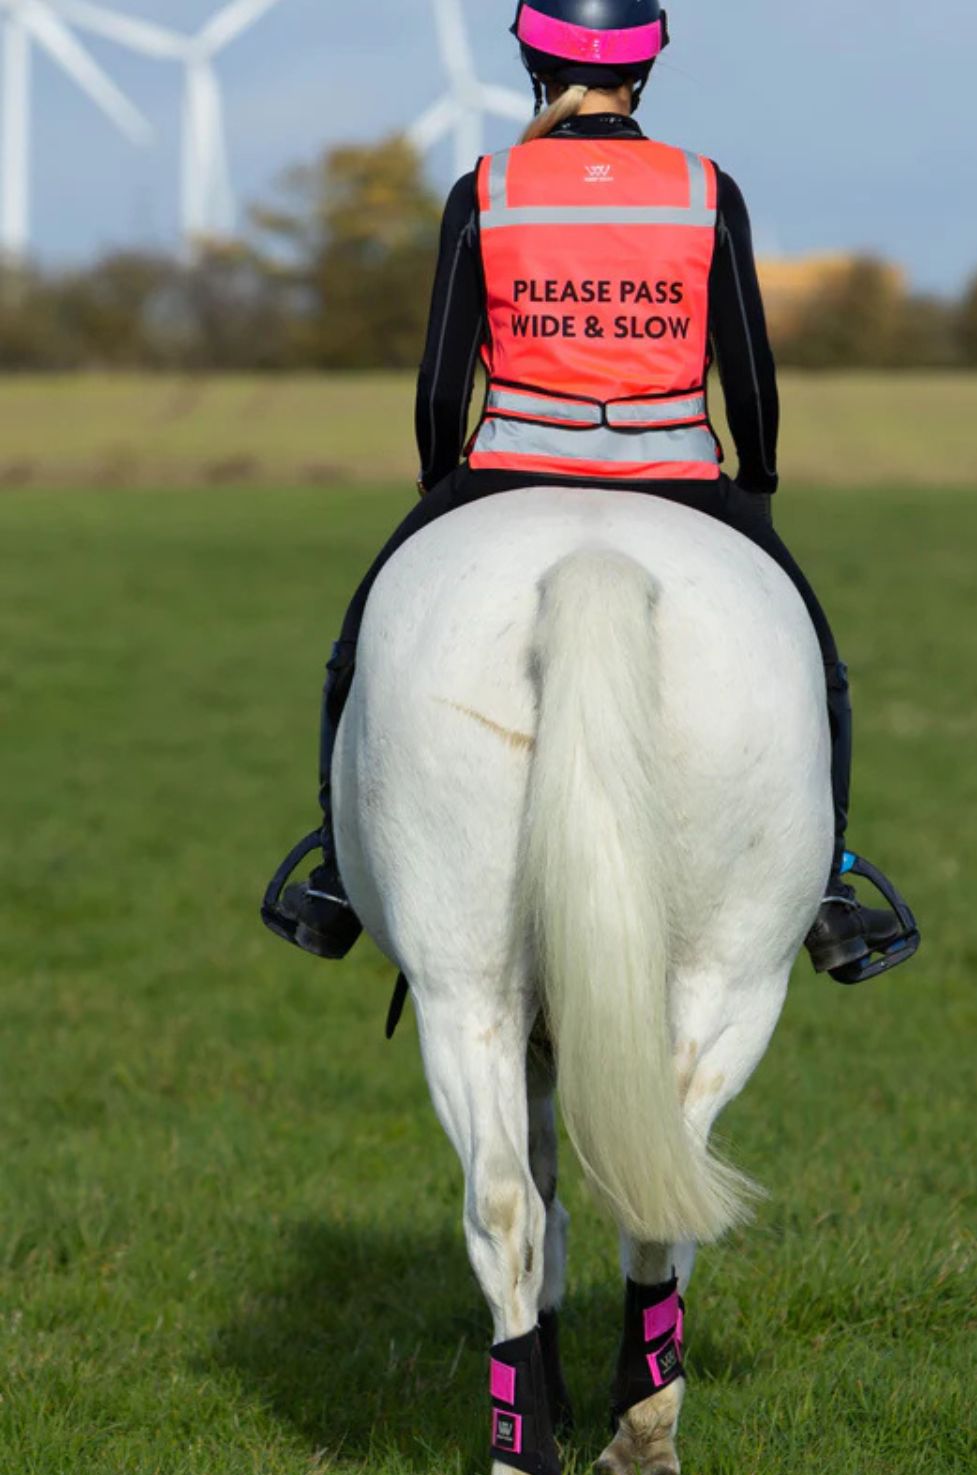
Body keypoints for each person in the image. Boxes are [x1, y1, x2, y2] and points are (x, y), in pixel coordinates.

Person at [261, 0, 920, 985]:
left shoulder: (487, 188)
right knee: (816, 667)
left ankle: (337, 873)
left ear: (533, 59)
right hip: (681, 473)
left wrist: (442, 486)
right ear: (644, 68)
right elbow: (750, 372)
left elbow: (443, 381)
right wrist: (759, 485)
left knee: (359, 646)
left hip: (512, 464)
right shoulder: (705, 190)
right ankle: (826, 886)